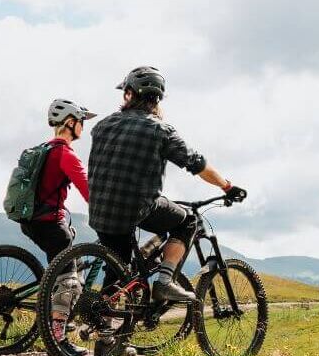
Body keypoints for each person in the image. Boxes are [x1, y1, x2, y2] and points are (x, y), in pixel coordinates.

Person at [88, 66, 245, 307]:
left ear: (128, 94)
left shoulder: (102, 125)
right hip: (136, 209)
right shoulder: (160, 130)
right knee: (188, 220)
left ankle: (105, 323)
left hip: (100, 210)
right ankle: (164, 281)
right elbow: (197, 164)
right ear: (157, 99)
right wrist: (227, 186)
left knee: (118, 269)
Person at [23, 99, 94, 347]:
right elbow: (89, 191)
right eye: (81, 121)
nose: (83, 126)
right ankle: (58, 338)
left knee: (71, 263)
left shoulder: (44, 150)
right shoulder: (65, 154)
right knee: (69, 282)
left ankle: (59, 310)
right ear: (71, 123)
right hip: (51, 225)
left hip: (30, 221)